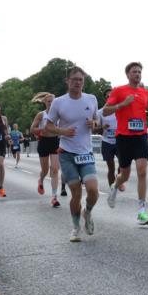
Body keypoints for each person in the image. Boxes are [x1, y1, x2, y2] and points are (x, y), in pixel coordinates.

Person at [42, 67, 100, 241]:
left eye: (80, 80)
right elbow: (48, 126)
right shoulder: (59, 102)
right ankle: (75, 227)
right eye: (74, 79)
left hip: (86, 152)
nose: (77, 82)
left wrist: (94, 123)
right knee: (76, 192)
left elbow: (97, 120)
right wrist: (63, 131)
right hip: (67, 153)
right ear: (67, 81)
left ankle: (87, 213)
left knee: (93, 190)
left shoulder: (91, 99)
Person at [102, 62, 148, 225]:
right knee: (124, 174)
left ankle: (141, 211)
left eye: (139, 71)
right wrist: (122, 105)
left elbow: (143, 112)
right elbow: (105, 111)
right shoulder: (119, 91)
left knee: (142, 171)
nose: (137, 74)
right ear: (127, 74)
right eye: (134, 71)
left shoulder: (144, 92)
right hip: (124, 137)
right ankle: (115, 186)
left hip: (140, 135)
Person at [29, 93, 62, 208]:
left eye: (53, 101)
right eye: (49, 101)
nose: (51, 103)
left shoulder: (59, 115)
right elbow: (32, 129)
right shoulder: (41, 115)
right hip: (43, 142)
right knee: (45, 170)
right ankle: (41, 180)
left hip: (55, 142)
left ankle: (54, 197)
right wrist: (41, 129)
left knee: (55, 169)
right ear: (45, 103)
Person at [96, 105, 121, 190]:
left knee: (123, 164)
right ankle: (112, 189)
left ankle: (119, 178)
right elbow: (95, 129)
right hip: (107, 142)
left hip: (120, 141)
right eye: (107, 96)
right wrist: (102, 127)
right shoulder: (100, 112)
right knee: (111, 167)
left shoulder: (120, 109)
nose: (109, 97)